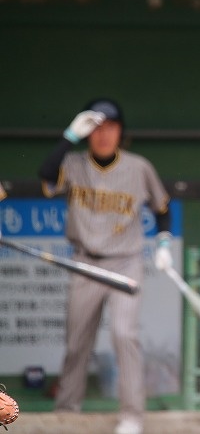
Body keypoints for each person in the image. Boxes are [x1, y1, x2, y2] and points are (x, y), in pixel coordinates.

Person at [38, 98, 173, 434]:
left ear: (120, 132)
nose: (103, 134)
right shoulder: (72, 163)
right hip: (84, 262)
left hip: (125, 262)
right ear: (87, 132)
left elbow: (162, 207)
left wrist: (164, 241)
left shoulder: (138, 167)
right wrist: (68, 137)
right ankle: (67, 411)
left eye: (110, 127)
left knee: (124, 335)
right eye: (96, 127)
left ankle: (132, 416)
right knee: (76, 342)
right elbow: (46, 178)